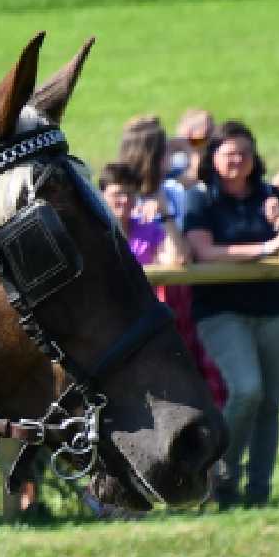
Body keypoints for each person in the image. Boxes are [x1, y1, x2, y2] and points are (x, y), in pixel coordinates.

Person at [181, 122, 279, 507]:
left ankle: (260, 489)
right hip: (222, 311)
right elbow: (203, 251)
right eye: (229, 153)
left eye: (244, 153)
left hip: (277, 309)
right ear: (213, 158)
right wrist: (266, 248)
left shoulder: (270, 195)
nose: (237, 160)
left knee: (271, 401)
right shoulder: (200, 199)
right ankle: (222, 475)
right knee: (247, 389)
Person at [100, 162, 225, 410]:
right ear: (102, 195)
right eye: (117, 194)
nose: (124, 201)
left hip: (146, 326)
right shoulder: (96, 233)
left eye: (130, 194)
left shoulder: (146, 229)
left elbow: (179, 258)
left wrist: (165, 214)